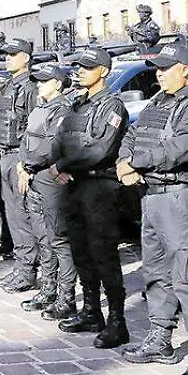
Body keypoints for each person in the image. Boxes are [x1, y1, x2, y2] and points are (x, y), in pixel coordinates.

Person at [116, 42, 188, 373]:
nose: (158, 74)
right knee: (156, 273)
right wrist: (123, 162)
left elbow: (180, 150)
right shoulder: (157, 103)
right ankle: (161, 339)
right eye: (157, 68)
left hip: (182, 197)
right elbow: (132, 136)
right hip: (153, 196)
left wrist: (135, 164)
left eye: (166, 68)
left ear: (185, 70)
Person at [57, 47, 129, 350]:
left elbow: (100, 150)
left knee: (104, 255)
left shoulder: (111, 106)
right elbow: (61, 140)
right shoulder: (77, 104)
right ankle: (91, 311)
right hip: (74, 186)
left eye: (88, 67)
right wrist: (62, 165)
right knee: (81, 253)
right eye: (79, 67)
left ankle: (117, 322)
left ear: (104, 71)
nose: (80, 71)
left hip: (100, 188)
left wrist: (63, 165)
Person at [18, 63, 78, 321]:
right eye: (38, 81)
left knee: (59, 239)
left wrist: (28, 165)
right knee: (43, 238)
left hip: (49, 177)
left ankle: (66, 297)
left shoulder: (63, 109)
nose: (39, 85)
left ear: (58, 83)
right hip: (34, 176)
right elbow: (26, 139)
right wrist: (22, 166)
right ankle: (48, 289)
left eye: (44, 81)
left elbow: (52, 145)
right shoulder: (40, 108)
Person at [0, 38, 40, 295]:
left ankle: (27, 270)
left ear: (26, 58)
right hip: (4, 153)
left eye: (13, 54)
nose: (7, 58)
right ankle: (23, 265)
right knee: (12, 213)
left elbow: (34, 128)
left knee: (21, 216)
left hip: (18, 157)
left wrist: (25, 162)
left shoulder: (30, 88)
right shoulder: (7, 86)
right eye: (5, 54)